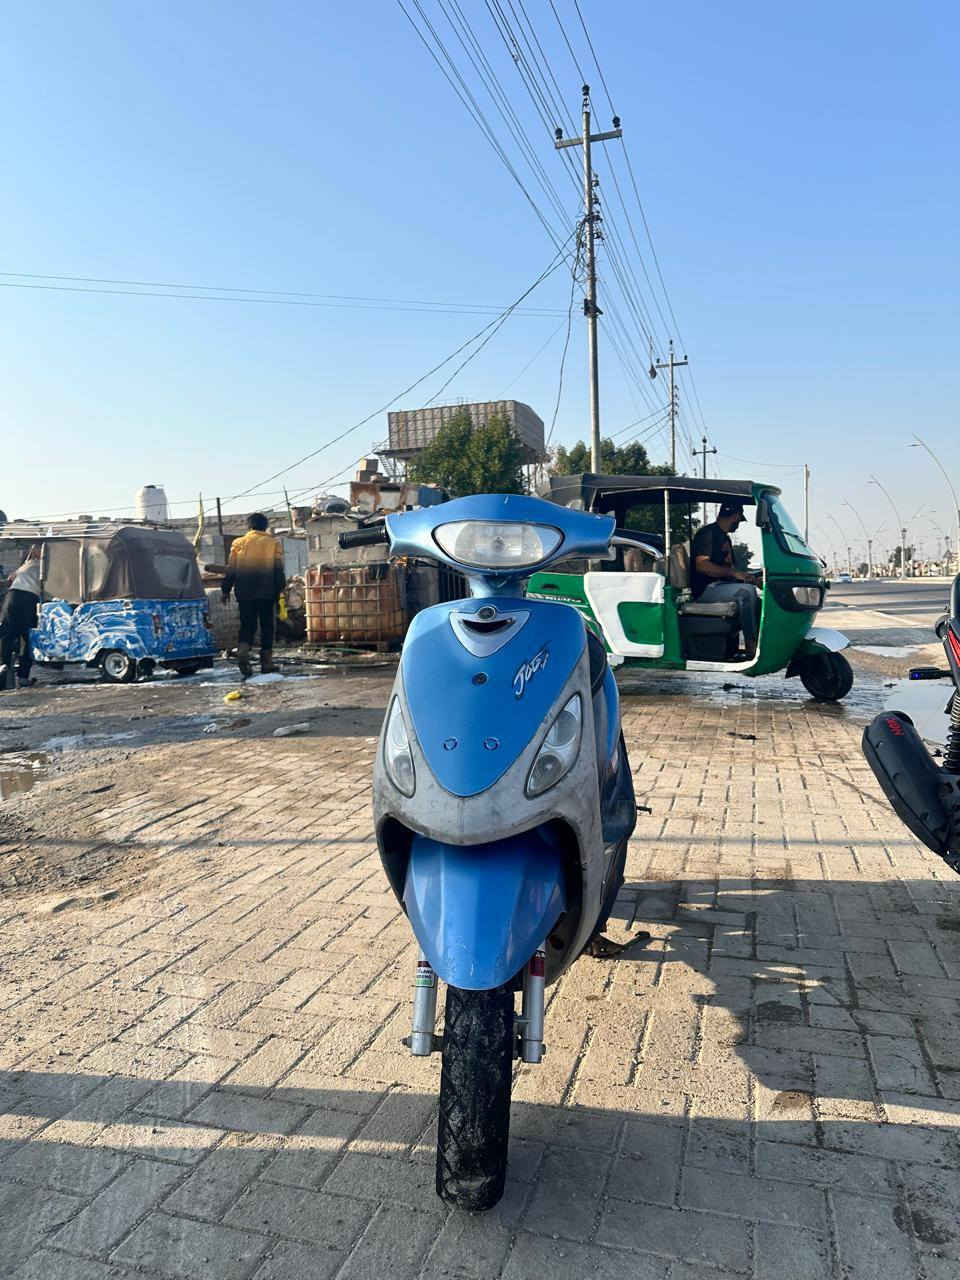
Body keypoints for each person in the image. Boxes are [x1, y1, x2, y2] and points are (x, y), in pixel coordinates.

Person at [690, 502, 762, 658]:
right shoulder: (708, 534)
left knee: (758, 600)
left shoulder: (724, 538)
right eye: (739, 521)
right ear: (735, 517)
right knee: (746, 593)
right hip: (705, 589)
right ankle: (751, 646)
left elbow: (731, 570)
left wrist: (752, 578)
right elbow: (702, 565)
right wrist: (733, 573)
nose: (738, 525)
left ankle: (758, 643)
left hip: (722, 586)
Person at [222, 514, 286, 678]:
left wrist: (225, 590)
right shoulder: (273, 543)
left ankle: (243, 651)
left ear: (249, 527)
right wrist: (280, 590)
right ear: (265, 527)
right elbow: (278, 570)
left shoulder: (238, 543)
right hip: (267, 592)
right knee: (267, 626)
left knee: (247, 625)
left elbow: (231, 570)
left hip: (244, 593)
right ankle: (266, 663)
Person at [0, 544, 42, 690]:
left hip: (12, 597)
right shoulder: (44, 565)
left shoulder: (25, 565)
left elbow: (9, 580)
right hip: (29, 599)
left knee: (7, 635)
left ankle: (3, 667)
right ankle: (23, 676)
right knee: (29, 639)